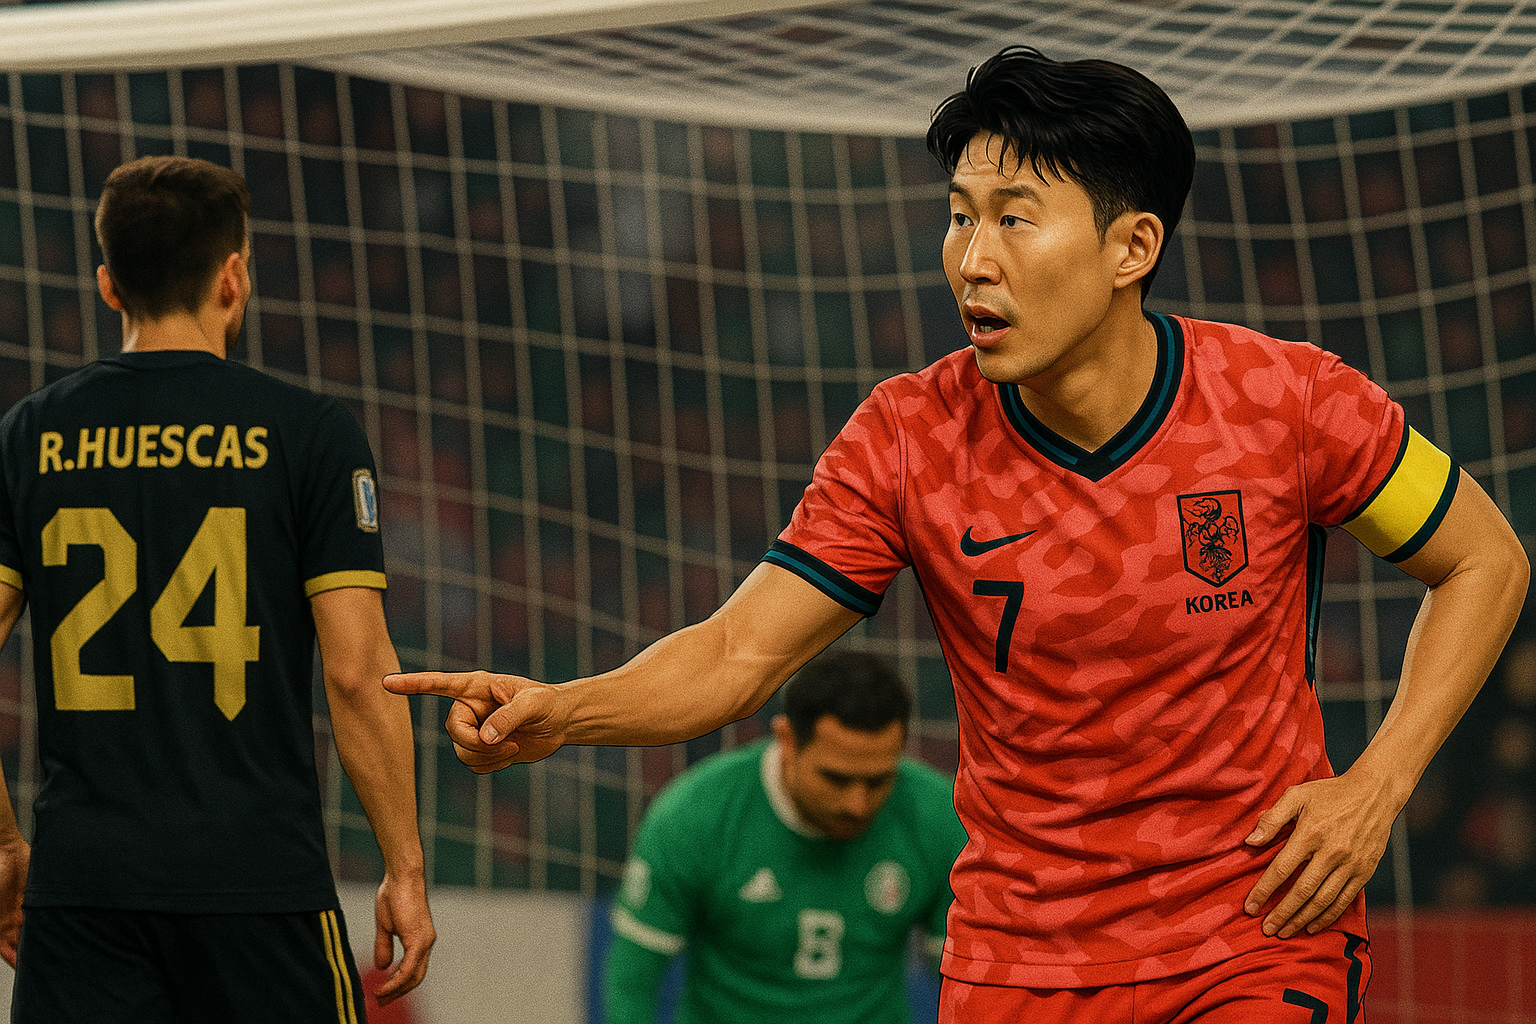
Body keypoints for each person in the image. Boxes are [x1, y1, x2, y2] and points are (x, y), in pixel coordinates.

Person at [388, 46, 1530, 1022]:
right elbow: (739, 653)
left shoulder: (1290, 403)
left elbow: (1484, 559)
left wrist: (1377, 783)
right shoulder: (907, 438)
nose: (973, 259)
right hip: (1019, 957)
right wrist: (566, 711)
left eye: (1015, 219)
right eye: (960, 216)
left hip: (1252, 934)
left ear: (1131, 247)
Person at [0, 155, 434, 1022]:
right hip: (257, 885)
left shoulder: (29, 435)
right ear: (233, 278)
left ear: (109, 285)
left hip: (84, 891)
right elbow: (356, 672)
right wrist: (405, 868)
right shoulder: (310, 435)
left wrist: (6, 842)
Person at [602, 650, 965, 1024]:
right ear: (787, 740)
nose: (857, 804)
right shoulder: (695, 815)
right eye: (836, 779)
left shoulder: (938, 817)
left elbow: (965, 984)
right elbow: (632, 983)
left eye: (878, 780)